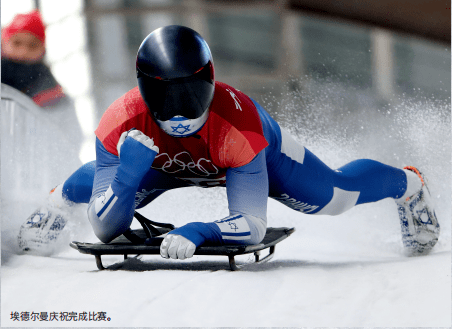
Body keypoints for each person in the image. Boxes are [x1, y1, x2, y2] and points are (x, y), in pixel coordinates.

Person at [18, 25, 440, 259]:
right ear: (145, 91)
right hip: (164, 162)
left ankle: (409, 185)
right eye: (167, 96)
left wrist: (201, 230)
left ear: (211, 82)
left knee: (334, 197)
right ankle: (58, 201)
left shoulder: (239, 127)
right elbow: (105, 228)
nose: (180, 112)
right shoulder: (119, 122)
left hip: (255, 157)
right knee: (115, 180)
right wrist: (127, 178)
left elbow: (252, 226)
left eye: (190, 93)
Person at [1, 10, 65, 107]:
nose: (23, 51)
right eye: (17, 43)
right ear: (3, 43)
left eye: (32, 46)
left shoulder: (52, 92)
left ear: (42, 50)